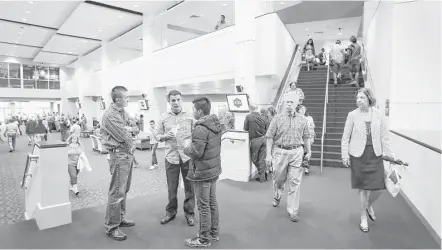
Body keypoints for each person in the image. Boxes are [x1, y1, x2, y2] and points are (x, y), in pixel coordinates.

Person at [341, 88, 394, 233]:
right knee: (363, 188)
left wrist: (391, 157)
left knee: (381, 187)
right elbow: (345, 137)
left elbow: (385, 138)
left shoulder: (378, 115)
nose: (359, 100)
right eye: (357, 98)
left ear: (369, 99)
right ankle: (363, 216)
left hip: (375, 154)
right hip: (358, 155)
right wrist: (345, 155)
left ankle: (368, 205)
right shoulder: (352, 115)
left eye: (362, 98)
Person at [265, 92, 311, 222]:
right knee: (278, 180)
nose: (289, 104)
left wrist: (309, 151)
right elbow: (269, 137)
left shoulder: (303, 119)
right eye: (287, 102)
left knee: (295, 182)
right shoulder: (277, 118)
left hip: (297, 152)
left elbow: (306, 136)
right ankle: (278, 193)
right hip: (280, 152)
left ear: (297, 104)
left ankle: (293, 210)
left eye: (292, 102)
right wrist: (268, 155)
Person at [182, 97, 222, 248]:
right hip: (213, 170)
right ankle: (214, 233)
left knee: (203, 205)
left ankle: (203, 239)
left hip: (203, 172)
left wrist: (185, 146)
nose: (192, 111)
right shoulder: (215, 124)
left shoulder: (200, 127)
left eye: (193, 109)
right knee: (211, 202)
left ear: (199, 111)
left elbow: (196, 152)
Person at [101, 86, 140, 241]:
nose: (128, 100)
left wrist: (130, 128)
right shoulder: (110, 115)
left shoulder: (122, 112)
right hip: (119, 156)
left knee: (124, 190)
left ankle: (120, 217)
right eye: (126, 97)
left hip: (127, 155)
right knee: (117, 191)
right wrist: (130, 131)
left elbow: (136, 128)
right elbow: (126, 137)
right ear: (118, 99)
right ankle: (111, 227)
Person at [155, 90, 195, 226]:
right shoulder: (163, 117)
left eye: (178, 99)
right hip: (171, 157)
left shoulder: (190, 116)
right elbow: (156, 134)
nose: (176, 102)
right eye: (173, 100)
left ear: (181, 100)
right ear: (169, 102)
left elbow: (196, 134)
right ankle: (171, 212)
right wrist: (165, 136)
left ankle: (189, 213)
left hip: (187, 157)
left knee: (190, 187)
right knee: (172, 187)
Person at [244, 104, 269, 182]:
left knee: (254, 158)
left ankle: (262, 172)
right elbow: (267, 129)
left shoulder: (248, 116)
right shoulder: (264, 118)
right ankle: (262, 176)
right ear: (257, 108)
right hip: (264, 139)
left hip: (255, 140)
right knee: (262, 158)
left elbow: (245, 128)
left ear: (250, 109)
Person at [296, 105, 315, 175]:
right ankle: (299, 167)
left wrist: (312, 136)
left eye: (304, 109)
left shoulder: (309, 118)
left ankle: (306, 167)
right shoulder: (296, 118)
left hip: (307, 137)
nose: (303, 110)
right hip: (299, 138)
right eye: (301, 109)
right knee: (300, 152)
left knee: (307, 152)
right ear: (298, 110)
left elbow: (312, 127)